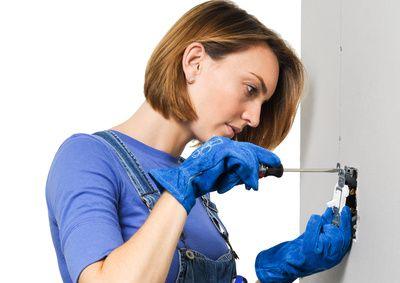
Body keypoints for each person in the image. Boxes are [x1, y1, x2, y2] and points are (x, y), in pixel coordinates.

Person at [45, 1, 352, 282]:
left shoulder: (199, 191)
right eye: (249, 89)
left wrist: (281, 272)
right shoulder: (86, 157)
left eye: (263, 102)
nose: (256, 119)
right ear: (194, 62)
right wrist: (184, 185)